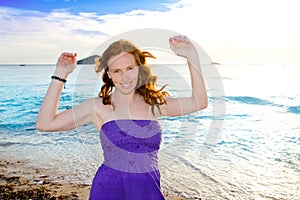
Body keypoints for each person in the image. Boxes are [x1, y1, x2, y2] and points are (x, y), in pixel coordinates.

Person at [36, 35, 208, 199]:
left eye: (130, 69)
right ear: (109, 74)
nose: (124, 77)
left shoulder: (154, 103)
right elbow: (45, 123)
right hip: (108, 191)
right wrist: (61, 73)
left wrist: (192, 57)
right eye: (117, 71)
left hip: (148, 192)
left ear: (139, 69)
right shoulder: (97, 107)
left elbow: (199, 102)